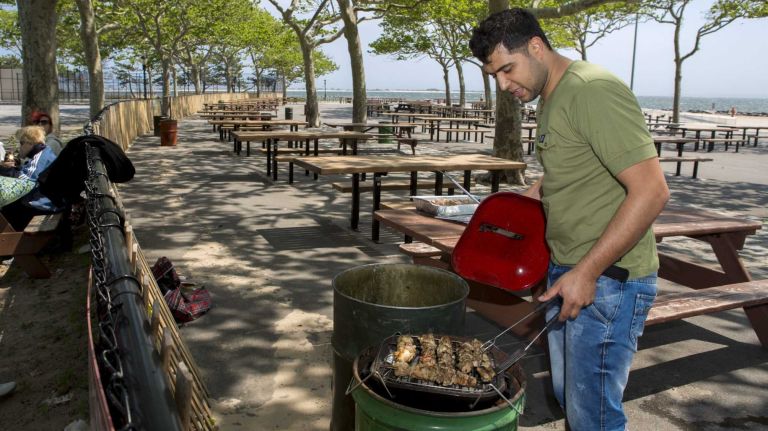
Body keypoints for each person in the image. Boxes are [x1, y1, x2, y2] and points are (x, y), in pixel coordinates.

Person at [470, 9, 669, 431]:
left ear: (537, 47)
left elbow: (652, 190)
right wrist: (525, 201)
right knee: (571, 399)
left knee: (593, 414)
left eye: (508, 69)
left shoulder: (590, 89)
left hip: (607, 279)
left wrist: (587, 272)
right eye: (496, 77)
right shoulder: (552, 96)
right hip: (568, 271)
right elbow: (573, 165)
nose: (505, 85)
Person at [1, 126, 61, 231]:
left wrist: (4, 170)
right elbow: (28, 172)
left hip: (42, 206)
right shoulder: (44, 152)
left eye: (21, 143)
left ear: (30, 143)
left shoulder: (41, 156)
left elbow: (26, 181)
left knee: (6, 209)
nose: (19, 148)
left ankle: (11, 242)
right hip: (45, 201)